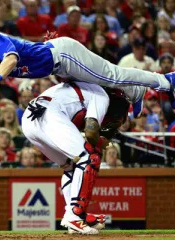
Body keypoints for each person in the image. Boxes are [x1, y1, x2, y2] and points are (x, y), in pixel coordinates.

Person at [0, 25, 175, 120]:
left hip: (64, 55)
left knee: (112, 76)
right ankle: (135, 92)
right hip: (58, 68)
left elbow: (10, 59)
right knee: (105, 85)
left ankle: (166, 80)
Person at [22, 80, 130, 234]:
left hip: (30, 120)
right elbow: (91, 133)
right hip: (50, 113)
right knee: (89, 157)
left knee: (71, 165)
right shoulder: (102, 96)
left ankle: (72, 215)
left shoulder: (87, 89)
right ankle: (75, 215)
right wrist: (101, 142)